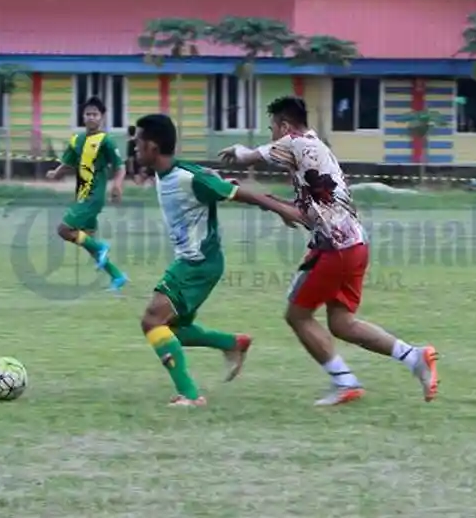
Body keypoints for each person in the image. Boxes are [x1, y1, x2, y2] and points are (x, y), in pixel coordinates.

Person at [218, 96, 440, 407]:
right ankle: (414, 356)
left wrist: (237, 152)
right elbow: (310, 210)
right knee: (341, 322)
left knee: (297, 315)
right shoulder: (316, 147)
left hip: (333, 248)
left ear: (284, 126)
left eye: (272, 128)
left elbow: (249, 156)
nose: (271, 135)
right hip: (356, 243)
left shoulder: (293, 142)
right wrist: (277, 206)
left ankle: (345, 382)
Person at [133, 113, 303, 407]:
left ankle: (189, 395)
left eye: (137, 143)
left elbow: (239, 194)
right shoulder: (176, 171)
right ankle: (232, 343)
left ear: (153, 147)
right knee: (172, 330)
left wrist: (280, 209)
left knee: (152, 320)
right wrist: (220, 179)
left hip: (197, 263)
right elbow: (215, 180)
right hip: (193, 262)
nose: (134, 148)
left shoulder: (187, 178)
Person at [46, 96, 128, 291]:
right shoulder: (77, 140)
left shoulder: (106, 141)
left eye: (95, 114)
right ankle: (117, 276)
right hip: (81, 194)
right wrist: (56, 173)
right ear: (82, 117)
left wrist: (117, 185)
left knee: (64, 230)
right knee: (86, 240)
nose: (91, 117)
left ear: (102, 117)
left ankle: (101, 248)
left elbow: (120, 166)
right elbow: (67, 162)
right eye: (88, 114)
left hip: (93, 196)